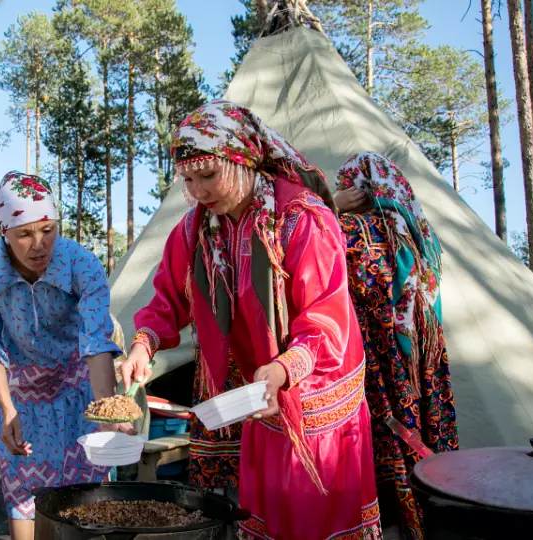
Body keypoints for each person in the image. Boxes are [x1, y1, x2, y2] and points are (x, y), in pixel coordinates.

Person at [121, 100, 380, 540]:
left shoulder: (301, 219)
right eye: (188, 179)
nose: (200, 191)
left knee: (313, 514)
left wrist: (283, 369)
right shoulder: (197, 230)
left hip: (316, 389)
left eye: (209, 175)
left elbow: (325, 316)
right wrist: (143, 344)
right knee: (267, 512)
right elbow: (168, 297)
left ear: (243, 159)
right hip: (264, 391)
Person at [0, 171, 125, 540]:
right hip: (22, 402)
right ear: (4, 231)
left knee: (91, 508)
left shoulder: (81, 263)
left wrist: (105, 412)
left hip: (80, 394)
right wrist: (7, 409)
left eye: (48, 229)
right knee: (24, 500)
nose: (39, 245)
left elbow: (96, 342)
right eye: (24, 234)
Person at [334, 153, 458, 539]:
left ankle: (395, 522)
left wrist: (329, 205)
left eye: (344, 186)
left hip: (379, 362)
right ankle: (430, 519)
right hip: (423, 364)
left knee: (388, 449)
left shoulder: (354, 230)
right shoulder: (418, 234)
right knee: (422, 441)